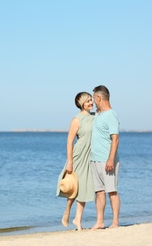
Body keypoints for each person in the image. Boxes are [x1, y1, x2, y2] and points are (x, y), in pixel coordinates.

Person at [57, 92, 95, 231]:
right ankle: (67, 210)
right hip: (79, 155)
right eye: (88, 101)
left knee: (84, 188)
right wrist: (70, 162)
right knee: (75, 187)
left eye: (91, 100)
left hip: (90, 156)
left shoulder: (95, 117)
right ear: (81, 104)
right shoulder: (76, 120)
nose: (91, 102)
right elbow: (69, 142)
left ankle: (78, 219)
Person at [90, 85, 121, 230]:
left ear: (99, 98)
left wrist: (111, 159)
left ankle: (115, 222)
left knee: (112, 191)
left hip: (107, 160)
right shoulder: (99, 114)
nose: (93, 101)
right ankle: (100, 221)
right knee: (99, 192)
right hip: (95, 159)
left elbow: (115, 139)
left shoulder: (111, 115)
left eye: (94, 98)